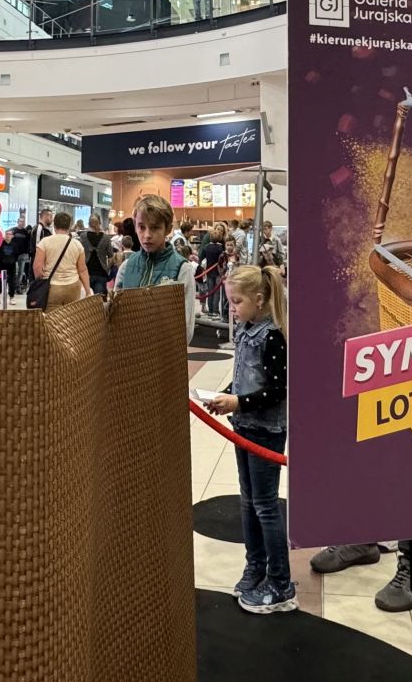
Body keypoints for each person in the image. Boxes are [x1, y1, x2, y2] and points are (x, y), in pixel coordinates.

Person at [201, 266, 291, 613]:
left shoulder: (273, 336)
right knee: (248, 501)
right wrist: (225, 395)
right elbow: (244, 377)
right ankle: (256, 566)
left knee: (265, 506)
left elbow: (278, 390)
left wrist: (238, 402)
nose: (232, 308)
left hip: (265, 431)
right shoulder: (245, 329)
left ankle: (280, 581)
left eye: (237, 301)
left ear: (259, 299)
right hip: (244, 426)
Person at [116, 195, 197, 340]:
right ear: (135, 226)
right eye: (141, 227)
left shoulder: (182, 269)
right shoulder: (126, 267)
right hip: (129, 348)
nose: (147, 235)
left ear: (168, 229)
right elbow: (116, 318)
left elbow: (186, 329)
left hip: (166, 350)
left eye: (155, 227)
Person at [34, 211, 90, 307]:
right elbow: (82, 270)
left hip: (52, 287)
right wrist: (87, 290)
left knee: (52, 315)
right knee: (71, 314)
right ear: (69, 226)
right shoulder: (77, 244)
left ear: (54, 225)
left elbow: (37, 268)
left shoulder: (44, 242)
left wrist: (41, 283)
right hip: (72, 286)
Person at [82, 214, 116, 297]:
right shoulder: (106, 238)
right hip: (101, 273)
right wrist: (107, 268)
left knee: (86, 299)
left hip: (86, 272)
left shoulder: (83, 236)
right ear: (100, 223)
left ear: (88, 223)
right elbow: (111, 258)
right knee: (100, 299)